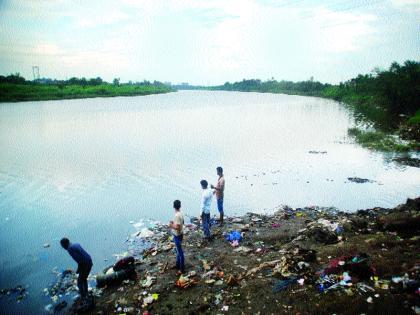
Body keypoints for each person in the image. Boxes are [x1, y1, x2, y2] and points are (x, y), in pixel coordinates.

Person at [169, 199, 185, 274]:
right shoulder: (181, 214)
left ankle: (182, 269)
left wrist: (171, 225)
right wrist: (174, 223)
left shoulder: (177, 215)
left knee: (180, 252)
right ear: (180, 206)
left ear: (173, 206)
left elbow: (177, 227)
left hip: (177, 235)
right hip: (180, 234)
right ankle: (177, 264)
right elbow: (182, 223)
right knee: (178, 251)